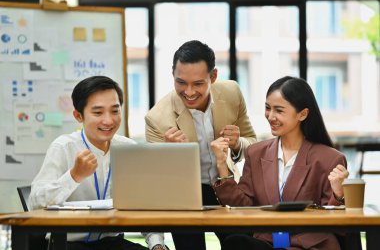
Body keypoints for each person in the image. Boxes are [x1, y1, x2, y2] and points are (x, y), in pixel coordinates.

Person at [211, 76, 349, 250]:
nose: (270, 116)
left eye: (279, 110)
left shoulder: (330, 158)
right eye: (268, 108)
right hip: (269, 242)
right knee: (234, 242)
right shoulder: (255, 153)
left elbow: (337, 225)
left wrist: (338, 195)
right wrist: (222, 164)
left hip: (308, 245)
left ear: (303, 114)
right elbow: (243, 207)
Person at [29, 76, 167, 250]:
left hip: (111, 242)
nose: (108, 120)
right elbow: (35, 202)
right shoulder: (63, 147)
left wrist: (157, 245)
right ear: (78, 116)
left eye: (115, 111)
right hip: (68, 243)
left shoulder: (128, 149)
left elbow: (146, 206)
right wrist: (74, 176)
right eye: (98, 112)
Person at [145, 40, 257, 250]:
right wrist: (167, 155)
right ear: (173, 75)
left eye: (198, 83)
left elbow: (253, 145)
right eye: (181, 83)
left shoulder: (232, 92)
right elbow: (156, 181)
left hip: (226, 186)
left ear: (213, 77)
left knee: (241, 243)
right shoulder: (156, 118)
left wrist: (237, 144)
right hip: (185, 193)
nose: (188, 92)